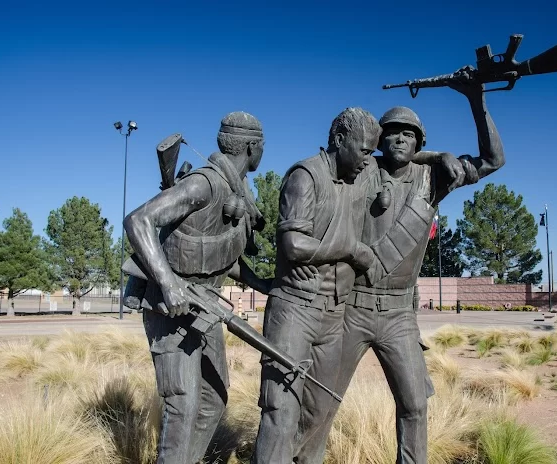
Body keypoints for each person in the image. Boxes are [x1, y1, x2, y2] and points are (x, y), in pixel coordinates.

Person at [294, 69, 506, 464]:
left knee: (414, 406)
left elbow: (494, 160)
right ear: (377, 140)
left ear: (419, 142)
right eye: (391, 132)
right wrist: (433, 152)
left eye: (408, 134)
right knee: (320, 403)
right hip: (351, 307)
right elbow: (329, 161)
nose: (399, 139)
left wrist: (476, 100)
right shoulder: (361, 171)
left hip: (398, 316)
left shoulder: (433, 179)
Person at [123, 111, 272, 464]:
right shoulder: (204, 184)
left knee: (214, 400)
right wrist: (169, 282)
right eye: (263, 145)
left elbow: (218, 254)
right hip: (170, 309)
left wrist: (261, 283)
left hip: (204, 310)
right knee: (183, 406)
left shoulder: (239, 190)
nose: (263, 151)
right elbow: (138, 220)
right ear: (252, 146)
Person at [251, 107, 383, 464]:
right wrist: (352, 250)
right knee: (281, 411)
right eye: (365, 150)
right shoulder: (304, 176)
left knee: (320, 411)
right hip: (295, 309)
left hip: (334, 315)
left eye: (373, 152)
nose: (369, 160)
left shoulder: (360, 174)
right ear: (340, 141)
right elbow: (293, 244)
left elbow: (406, 158)